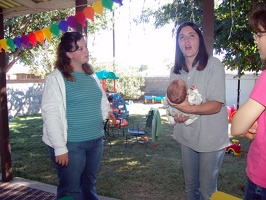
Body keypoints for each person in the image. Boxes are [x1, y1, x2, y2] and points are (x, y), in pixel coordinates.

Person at [41, 32, 116, 200]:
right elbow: (50, 114)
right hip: (72, 145)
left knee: (89, 184)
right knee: (70, 190)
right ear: (68, 54)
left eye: (85, 46)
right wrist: (59, 147)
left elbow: (101, 98)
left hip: (96, 141)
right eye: (80, 48)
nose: (86, 51)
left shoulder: (91, 75)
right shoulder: (56, 78)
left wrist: (107, 112)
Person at [167, 22, 230, 200]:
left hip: (211, 139)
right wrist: (176, 114)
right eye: (181, 37)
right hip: (186, 136)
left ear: (199, 40)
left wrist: (189, 108)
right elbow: (172, 101)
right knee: (190, 188)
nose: (186, 40)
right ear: (178, 43)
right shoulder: (175, 71)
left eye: (191, 35)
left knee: (207, 191)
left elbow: (216, 104)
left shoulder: (213, 65)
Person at [231, 10, 266, 200]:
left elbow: (236, 127)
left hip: (262, 179)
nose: (255, 40)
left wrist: (244, 125)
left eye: (259, 35)